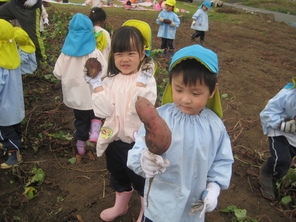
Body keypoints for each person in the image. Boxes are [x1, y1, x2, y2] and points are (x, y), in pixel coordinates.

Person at [127, 44, 234, 222]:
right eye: (178, 90)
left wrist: (214, 188)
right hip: (160, 202)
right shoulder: (159, 116)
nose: (185, 99)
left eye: (195, 93)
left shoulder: (215, 126)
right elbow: (138, 148)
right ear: (171, 86)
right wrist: (143, 160)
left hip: (193, 203)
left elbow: (221, 161)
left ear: (212, 91)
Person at [85, 25, 157, 222]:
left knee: (141, 179)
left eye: (131, 53)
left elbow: (142, 108)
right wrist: (97, 85)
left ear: (142, 54)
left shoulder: (146, 80)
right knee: (118, 174)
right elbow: (104, 111)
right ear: (113, 56)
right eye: (119, 54)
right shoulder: (109, 81)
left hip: (138, 143)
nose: (125, 59)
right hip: (114, 140)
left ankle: (146, 211)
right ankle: (121, 206)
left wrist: (141, 83)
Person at [53, 13, 108, 156]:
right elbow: (103, 72)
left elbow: (57, 72)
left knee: (80, 120)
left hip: (75, 97)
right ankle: (95, 132)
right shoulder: (95, 53)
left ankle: (81, 145)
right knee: (97, 113)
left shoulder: (65, 54)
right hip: (92, 93)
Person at [259, 79, 296, 200]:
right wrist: (281, 124)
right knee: (282, 159)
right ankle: (267, 172)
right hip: (279, 132)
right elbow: (268, 112)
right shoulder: (288, 94)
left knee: (285, 163)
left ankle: (277, 178)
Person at [0, 19, 24, 169]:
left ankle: (13, 153)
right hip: (15, 103)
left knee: (5, 130)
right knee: (14, 126)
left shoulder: (1, 61)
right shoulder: (13, 55)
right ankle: (17, 142)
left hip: (4, 106)